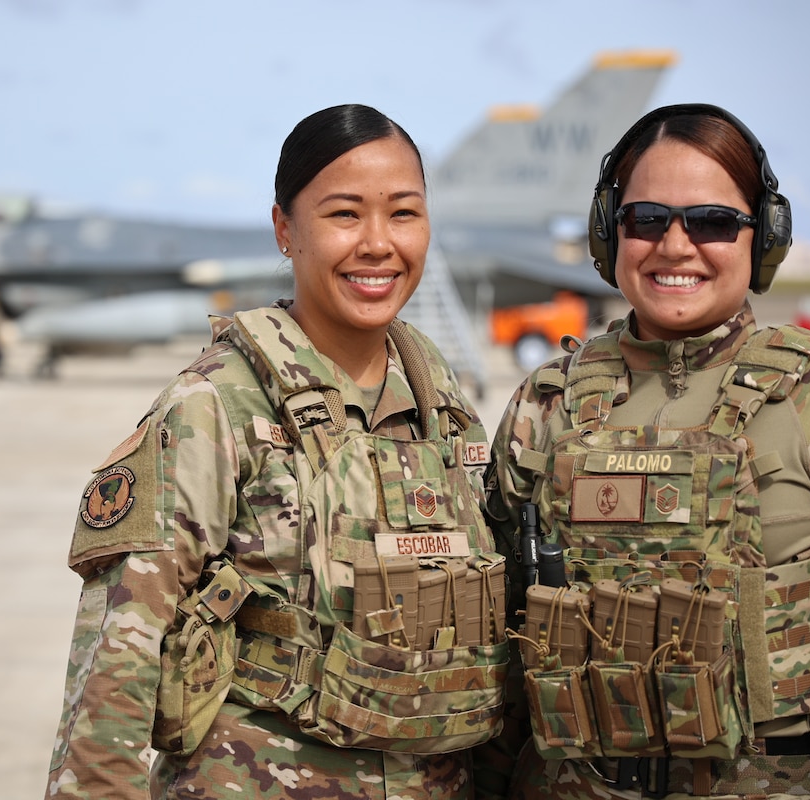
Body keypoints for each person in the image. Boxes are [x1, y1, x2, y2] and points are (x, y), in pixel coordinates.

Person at [43, 104, 510, 800]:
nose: (378, 243)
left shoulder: (442, 404)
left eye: (404, 214)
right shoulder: (215, 406)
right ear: (285, 230)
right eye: (345, 215)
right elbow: (117, 661)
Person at [482, 103, 810, 799]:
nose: (675, 247)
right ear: (608, 232)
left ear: (761, 237)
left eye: (711, 222)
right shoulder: (547, 402)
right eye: (647, 220)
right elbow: (500, 644)